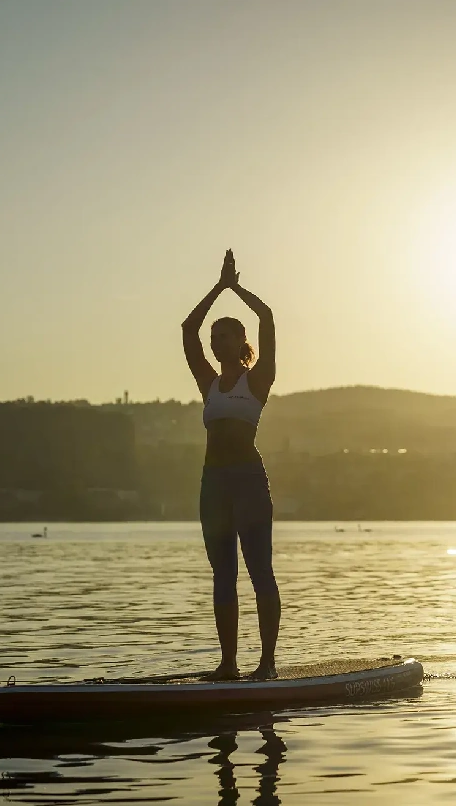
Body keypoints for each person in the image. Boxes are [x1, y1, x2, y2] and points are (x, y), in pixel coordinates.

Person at [181, 248, 279, 680]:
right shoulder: (208, 382)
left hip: (248, 482)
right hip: (213, 483)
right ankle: (227, 665)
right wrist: (217, 288)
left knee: (259, 571)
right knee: (223, 574)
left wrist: (237, 289)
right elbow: (188, 328)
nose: (216, 341)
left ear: (242, 343)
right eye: (214, 337)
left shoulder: (257, 380)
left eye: (225, 335)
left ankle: (267, 664)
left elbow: (269, 318)